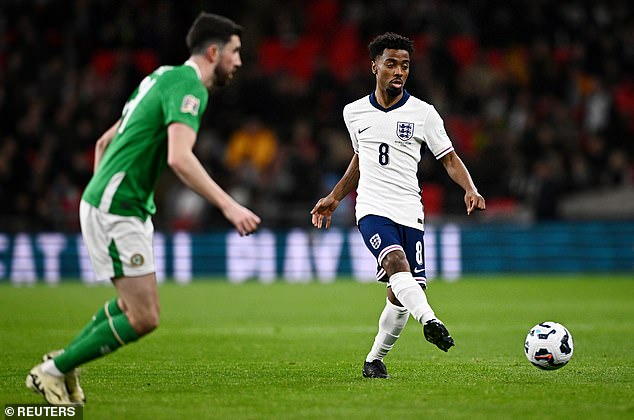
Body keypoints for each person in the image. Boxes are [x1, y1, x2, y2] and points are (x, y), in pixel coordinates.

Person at [26, 12, 261, 405]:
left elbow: (103, 143)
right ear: (214, 51)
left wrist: (103, 194)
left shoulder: (160, 77)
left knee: (129, 306)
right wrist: (229, 205)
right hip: (119, 208)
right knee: (144, 316)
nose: (239, 61)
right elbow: (179, 157)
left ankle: (63, 365)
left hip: (118, 205)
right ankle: (51, 371)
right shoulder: (190, 87)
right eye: (235, 52)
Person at [310, 32, 485, 379]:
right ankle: (431, 320)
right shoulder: (354, 112)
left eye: (405, 65)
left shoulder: (424, 113)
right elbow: (361, 161)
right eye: (391, 64)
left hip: (410, 210)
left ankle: (374, 360)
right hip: (372, 207)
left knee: (402, 291)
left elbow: (448, 159)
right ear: (374, 66)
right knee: (394, 262)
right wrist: (336, 197)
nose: (399, 71)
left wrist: (469, 187)